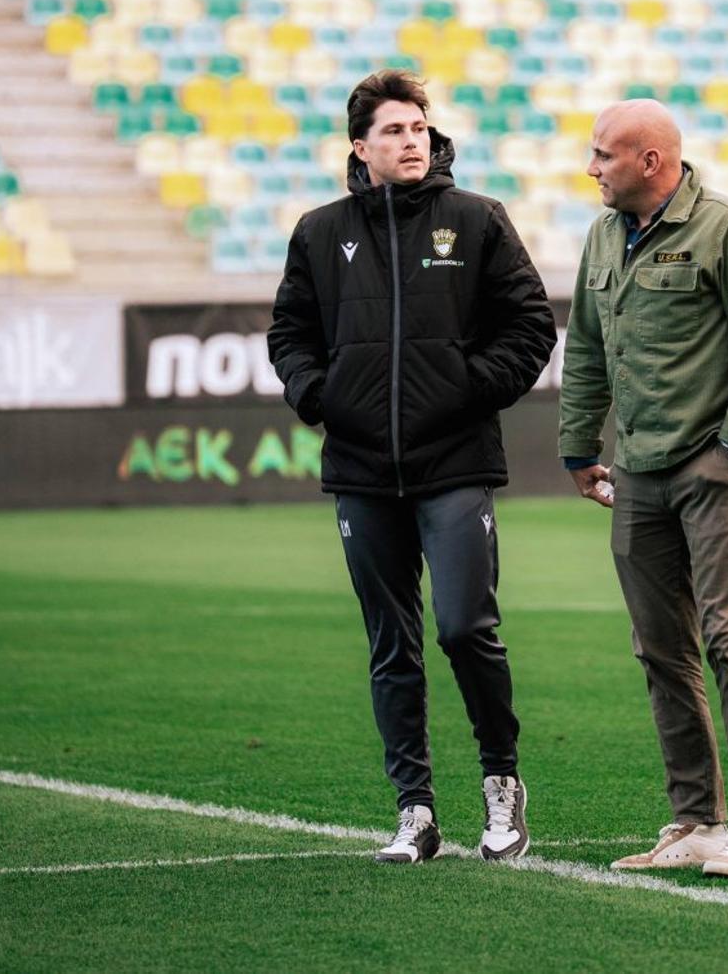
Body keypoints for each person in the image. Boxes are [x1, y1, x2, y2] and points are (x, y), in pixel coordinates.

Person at [269, 68, 556, 865]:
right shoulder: (320, 232)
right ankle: (416, 811)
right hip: (362, 471)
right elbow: (289, 332)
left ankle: (502, 785)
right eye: (394, 130)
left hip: (456, 462)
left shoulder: (476, 221)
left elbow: (532, 326)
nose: (411, 141)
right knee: (390, 645)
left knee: (466, 628)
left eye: (419, 128)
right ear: (360, 147)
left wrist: (467, 388)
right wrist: (319, 395)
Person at [558, 99, 728, 879]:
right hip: (637, 474)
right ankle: (696, 818)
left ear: (651, 161)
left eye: (604, 155)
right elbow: (586, 349)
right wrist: (578, 449)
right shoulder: (600, 236)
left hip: (715, 467)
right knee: (660, 647)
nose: (591, 168)